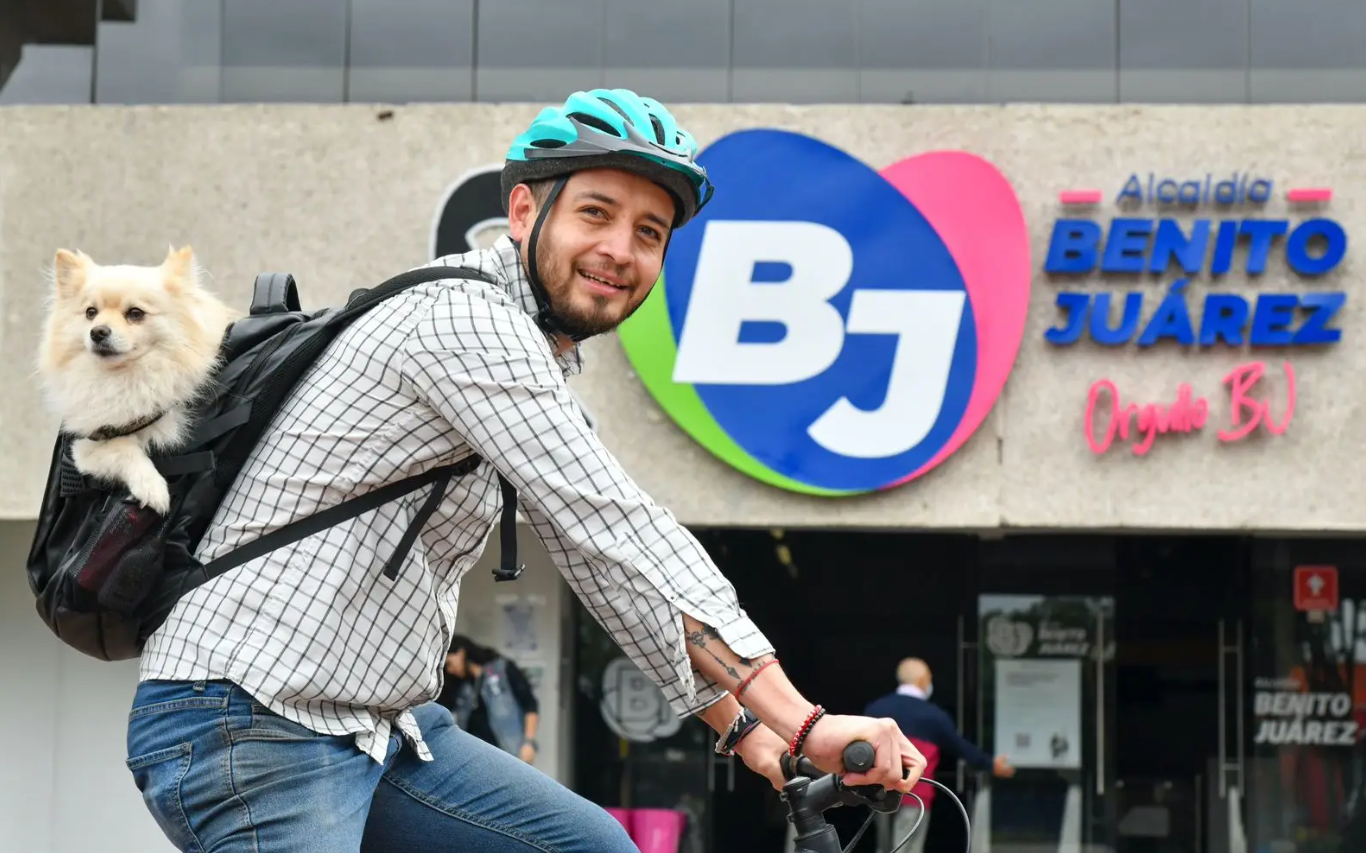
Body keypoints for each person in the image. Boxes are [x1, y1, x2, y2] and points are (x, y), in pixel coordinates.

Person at [123, 87, 927, 853]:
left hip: (375, 726)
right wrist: (805, 719)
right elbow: (618, 532)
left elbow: (607, 568)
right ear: (521, 211)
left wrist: (748, 730)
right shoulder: (465, 320)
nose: (620, 250)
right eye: (595, 213)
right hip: (247, 713)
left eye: (650, 232)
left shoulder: (535, 361)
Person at [863, 658, 1016, 853]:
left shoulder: (876, 709)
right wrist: (990, 764)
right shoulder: (934, 716)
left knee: (883, 848)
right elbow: (960, 747)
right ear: (922, 680)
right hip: (915, 792)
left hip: (878, 791)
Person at [436, 634, 541, 764]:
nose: (450, 670)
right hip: (478, 758)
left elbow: (530, 705)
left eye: (449, 663)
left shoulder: (502, 670)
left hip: (510, 752)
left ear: (461, 653)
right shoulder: (460, 687)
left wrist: (528, 742)